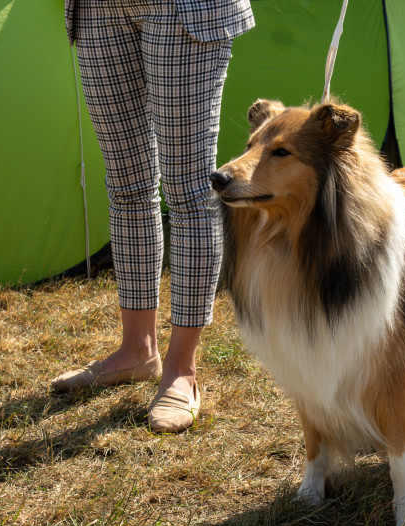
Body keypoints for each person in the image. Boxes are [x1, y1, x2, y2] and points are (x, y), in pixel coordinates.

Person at [52, 0, 254, 432]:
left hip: (185, 10)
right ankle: (137, 351)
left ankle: (182, 370)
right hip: (98, 10)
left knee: (190, 190)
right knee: (126, 187)